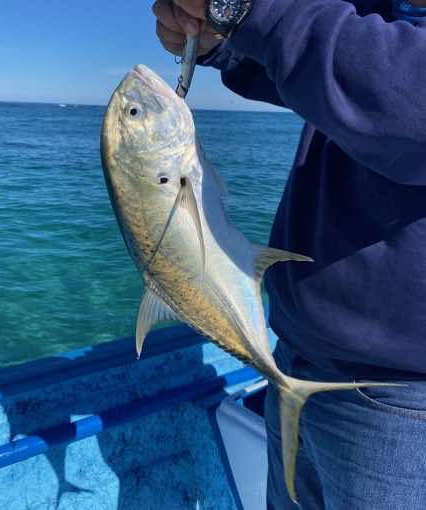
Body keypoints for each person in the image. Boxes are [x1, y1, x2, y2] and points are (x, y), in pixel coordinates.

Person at [153, 0, 426, 509]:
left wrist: (248, 10)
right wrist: (224, 46)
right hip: (301, 359)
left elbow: (408, 101)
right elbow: (342, 85)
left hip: (403, 398)